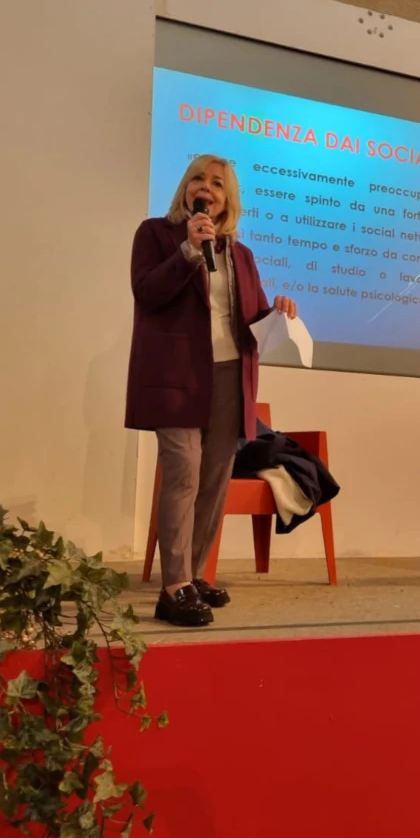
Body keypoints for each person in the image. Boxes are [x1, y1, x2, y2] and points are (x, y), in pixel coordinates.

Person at [126, 154, 297, 627]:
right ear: (186, 189)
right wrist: (187, 251)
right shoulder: (156, 235)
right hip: (177, 374)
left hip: (230, 375)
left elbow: (253, 320)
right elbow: (147, 293)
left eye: (217, 183)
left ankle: (195, 573)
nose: (206, 188)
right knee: (183, 472)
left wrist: (279, 311)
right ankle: (174, 587)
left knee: (214, 478)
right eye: (198, 179)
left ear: (228, 199)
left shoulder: (241, 255)